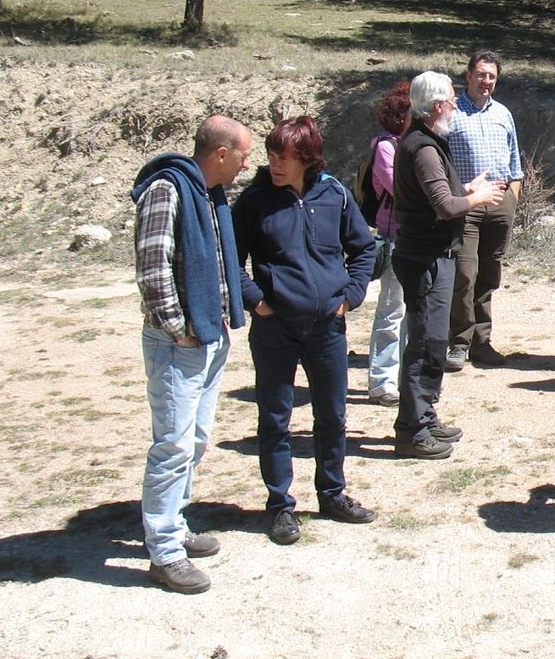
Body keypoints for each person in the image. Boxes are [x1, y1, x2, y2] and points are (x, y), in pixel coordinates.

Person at [233, 117, 379, 545]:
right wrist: (256, 301)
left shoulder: (335, 193)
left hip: (327, 328)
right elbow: (231, 259)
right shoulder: (255, 200)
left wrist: (350, 296)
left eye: (285, 157)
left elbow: (364, 248)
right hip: (274, 329)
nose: (275, 164)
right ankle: (280, 506)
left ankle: (332, 494)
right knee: (275, 419)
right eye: (271, 156)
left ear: (307, 159)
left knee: (332, 416)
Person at [131, 114, 252, 593]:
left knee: (196, 440)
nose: (246, 165)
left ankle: (175, 527)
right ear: (221, 154)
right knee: (173, 445)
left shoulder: (209, 194)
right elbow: (153, 268)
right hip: (178, 343)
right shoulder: (167, 190)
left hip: (208, 337)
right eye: (243, 156)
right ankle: (164, 552)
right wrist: (178, 328)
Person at [392, 71, 506, 459]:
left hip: (430, 255)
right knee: (426, 345)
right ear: (438, 105)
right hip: (425, 258)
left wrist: (467, 189)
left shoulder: (426, 142)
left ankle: (424, 416)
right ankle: (413, 431)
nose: (457, 106)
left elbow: (440, 195)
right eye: (453, 100)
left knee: (432, 341)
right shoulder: (423, 148)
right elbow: (443, 206)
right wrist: (478, 197)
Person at [445, 50, 524, 373]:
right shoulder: (451, 113)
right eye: (481, 75)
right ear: (468, 76)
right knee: (465, 272)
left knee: (489, 272)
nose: (486, 81)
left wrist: (512, 200)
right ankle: (458, 342)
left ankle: (482, 341)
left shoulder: (503, 113)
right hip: (466, 203)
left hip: (500, 203)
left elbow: (515, 163)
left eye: (492, 76)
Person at [365, 80, 410, 408]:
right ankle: (382, 381)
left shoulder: (414, 143)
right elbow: (402, 190)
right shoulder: (386, 147)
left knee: (412, 310)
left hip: (416, 236)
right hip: (396, 236)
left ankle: (405, 376)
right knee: (392, 310)